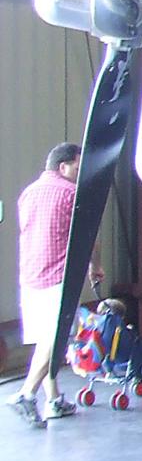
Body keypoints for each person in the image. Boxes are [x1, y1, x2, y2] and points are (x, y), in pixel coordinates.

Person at [9, 143, 100, 429]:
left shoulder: (28, 193)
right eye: (76, 165)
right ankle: (26, 394)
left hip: (30, 276)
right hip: (59, 278)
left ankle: (55, 399)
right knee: (56, 339)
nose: (79, 171)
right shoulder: (72, 194)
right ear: (63, 167)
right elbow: (89, 236)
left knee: (46, 340)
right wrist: (95, 266)